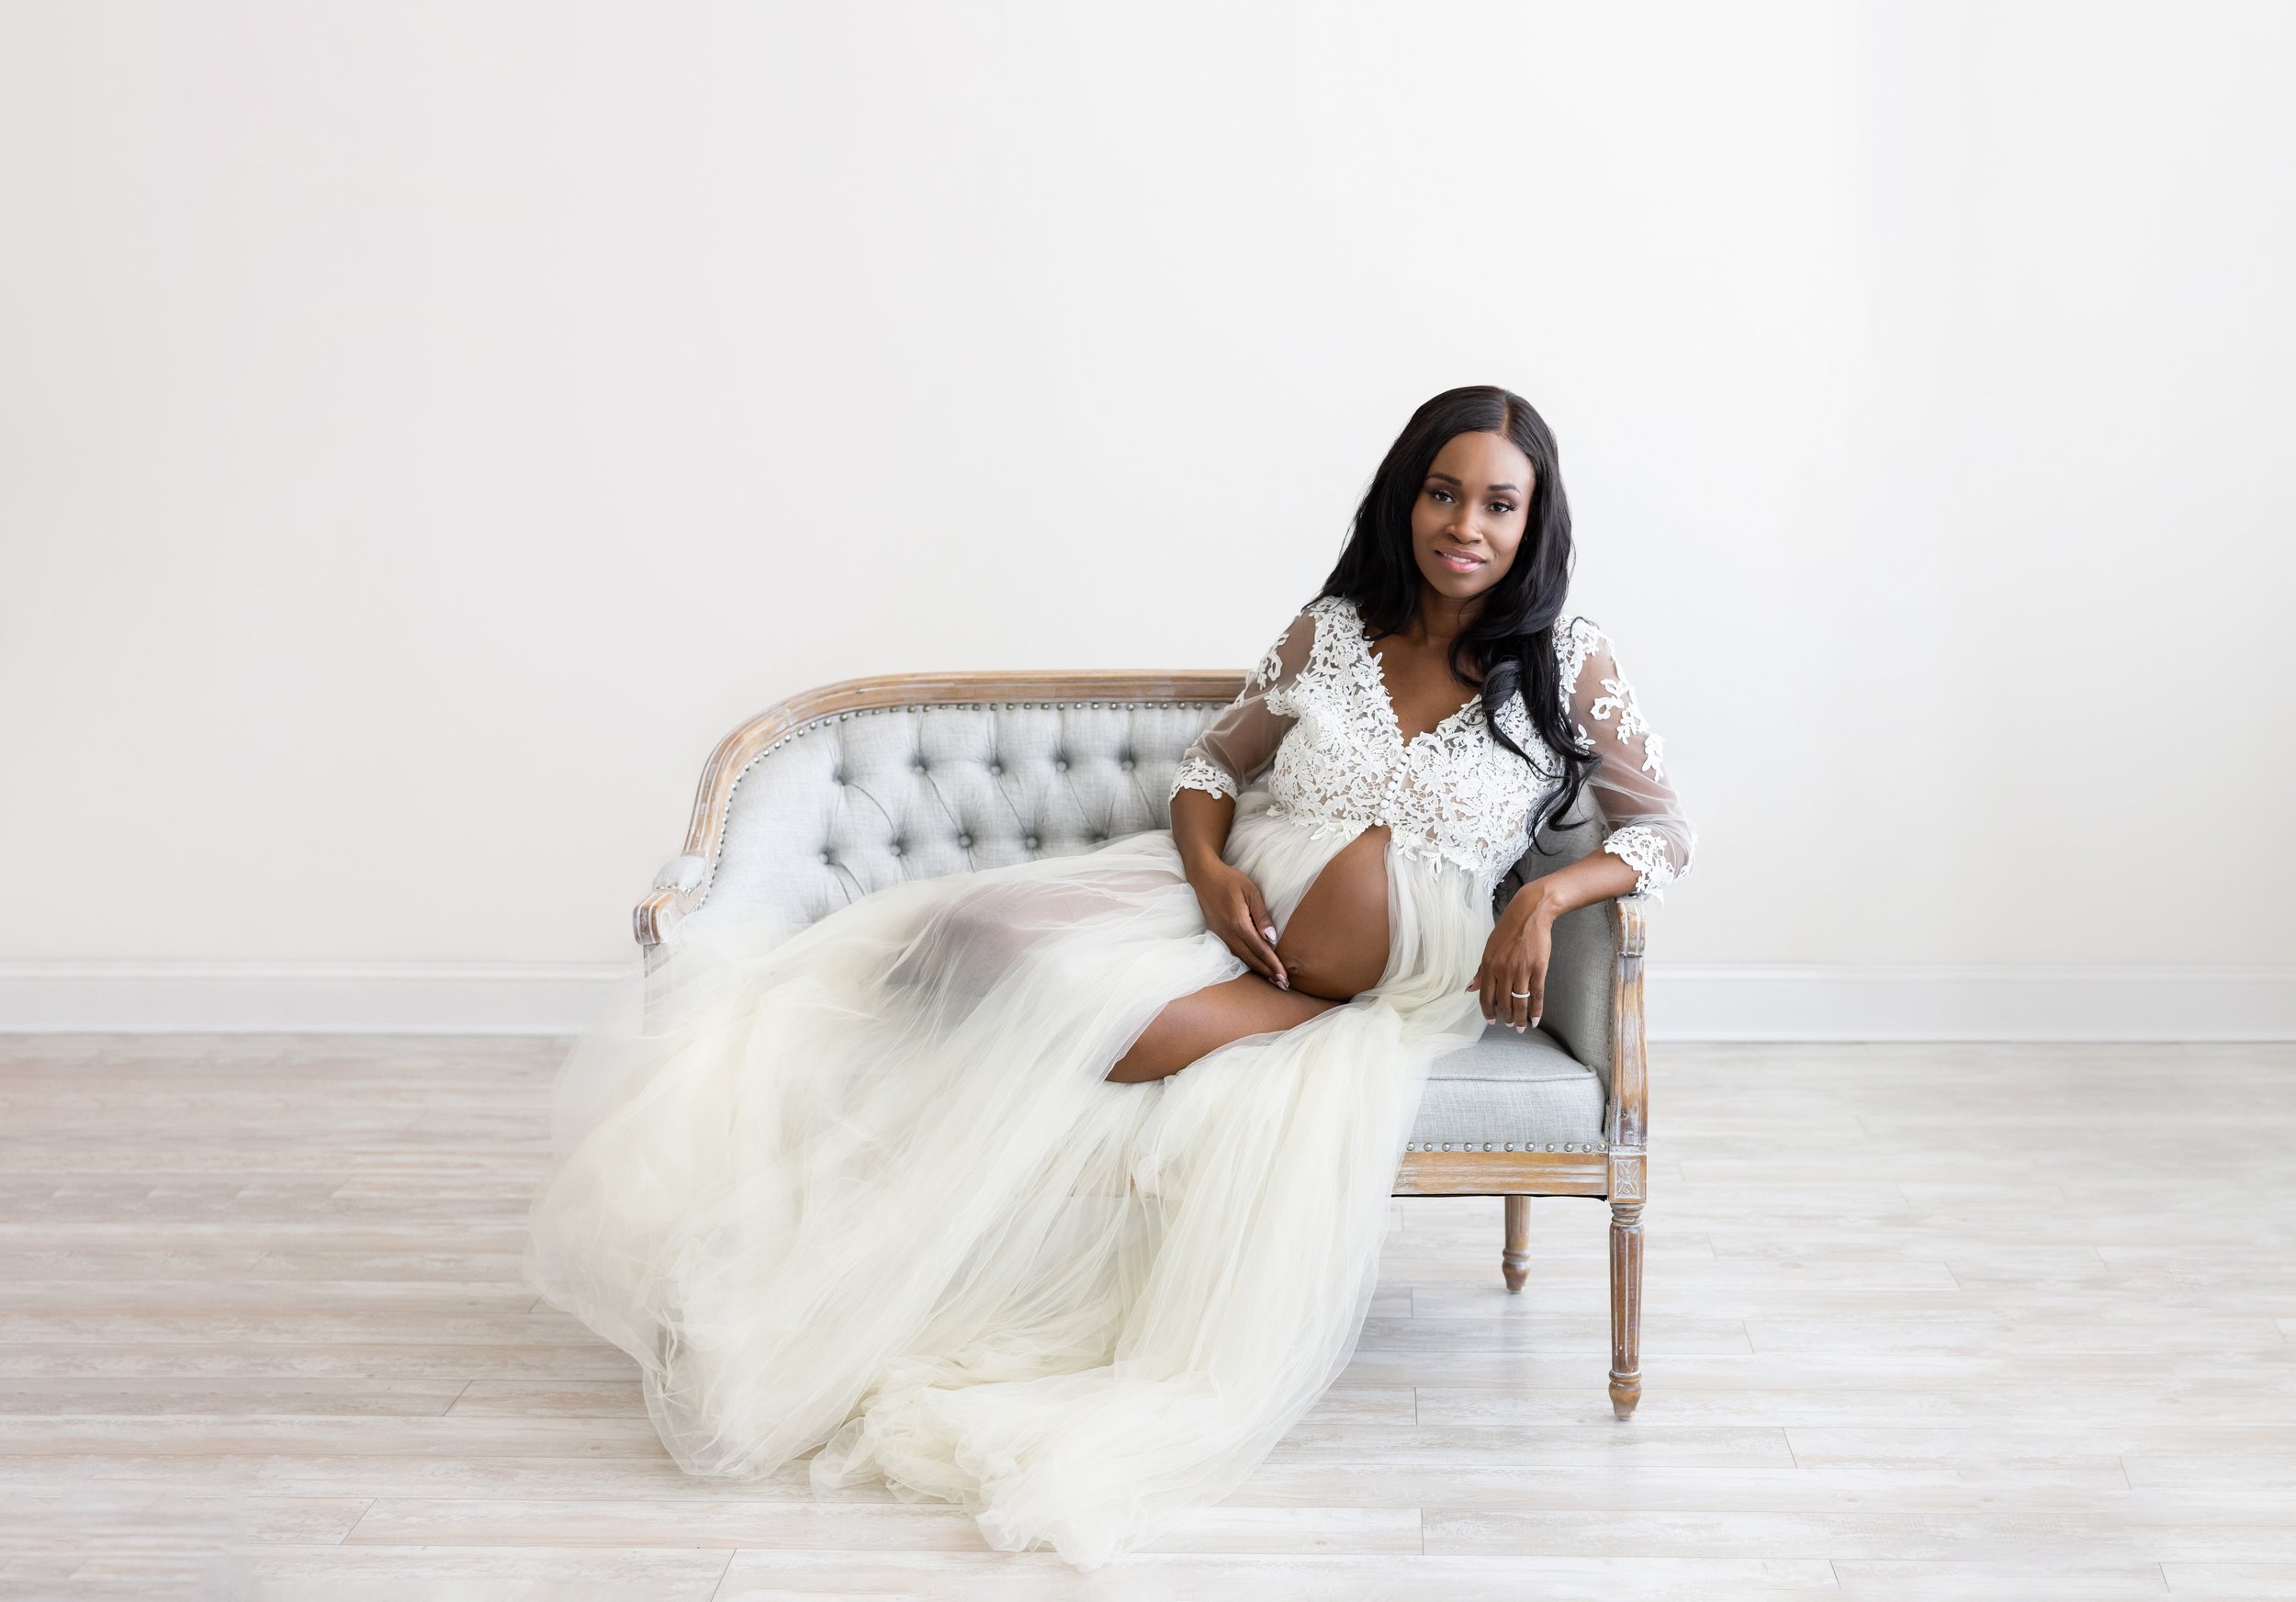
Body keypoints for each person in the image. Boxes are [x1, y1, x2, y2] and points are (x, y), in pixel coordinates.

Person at [523, 383, 1697, 1570]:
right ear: (1407, 498)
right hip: (1225, 915)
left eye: (1500, 503)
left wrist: (1547, 895)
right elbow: (1211, 765)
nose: (1467, 524)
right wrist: (1209, 874)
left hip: (1350, 992)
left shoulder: (1565, 659)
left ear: (1533, 519)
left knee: (1086, 1027)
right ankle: (788, 1225)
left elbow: (1663, 830)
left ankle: (902, 1282)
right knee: (959, 939)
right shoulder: (1335, 630)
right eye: (1445, 493)